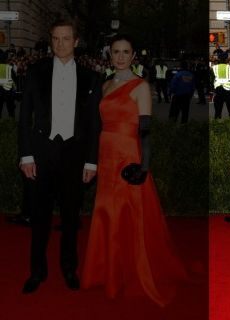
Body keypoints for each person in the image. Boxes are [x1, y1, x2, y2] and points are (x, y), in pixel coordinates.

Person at [80, 34, 187, 306]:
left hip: (128, 157)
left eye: (125, 52)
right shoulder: (104, 86)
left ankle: (130, 271)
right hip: (106, 156)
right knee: (106, 211)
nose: (120, 56)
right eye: (116, 51)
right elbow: (95, 127)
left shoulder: (141, 86)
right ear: (110, 54)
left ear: (133, 55)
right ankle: (108, 271)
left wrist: (145, 166)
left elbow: (146, 131)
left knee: (128, 212)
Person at [18, 20, 102, 294]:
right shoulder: (35, 71)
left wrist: (91, 161)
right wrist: (26, 155)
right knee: (39, 218)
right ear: (51, 40)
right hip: (41, 155)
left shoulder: (91, 77)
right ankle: (37, 271)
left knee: (70, 219)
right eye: (55, 39)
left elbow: (93, 124)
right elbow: (24, 118)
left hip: (74, 157)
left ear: (76, 42)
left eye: (66, 39)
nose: (60, 44)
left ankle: (69, 269)